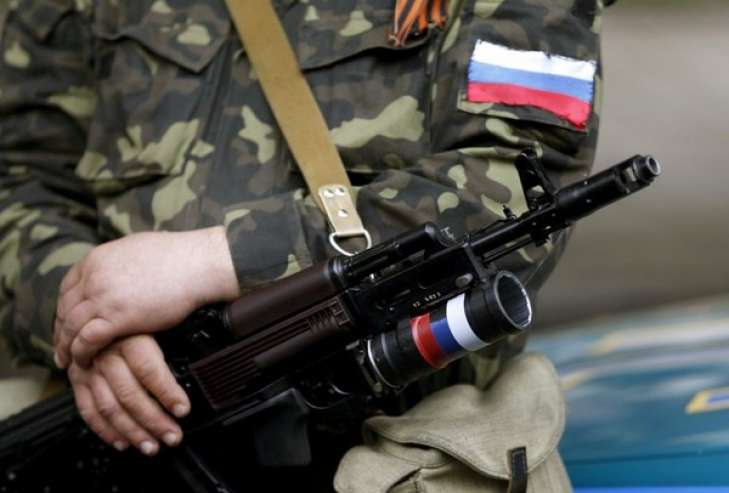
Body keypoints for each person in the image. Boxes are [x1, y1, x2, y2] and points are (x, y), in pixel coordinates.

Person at [0, 0, 605, 489]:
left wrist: (223, 259)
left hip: (392, 452)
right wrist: (86, 315)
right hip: (113, 435)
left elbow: (515, 194)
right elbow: (22, 176)